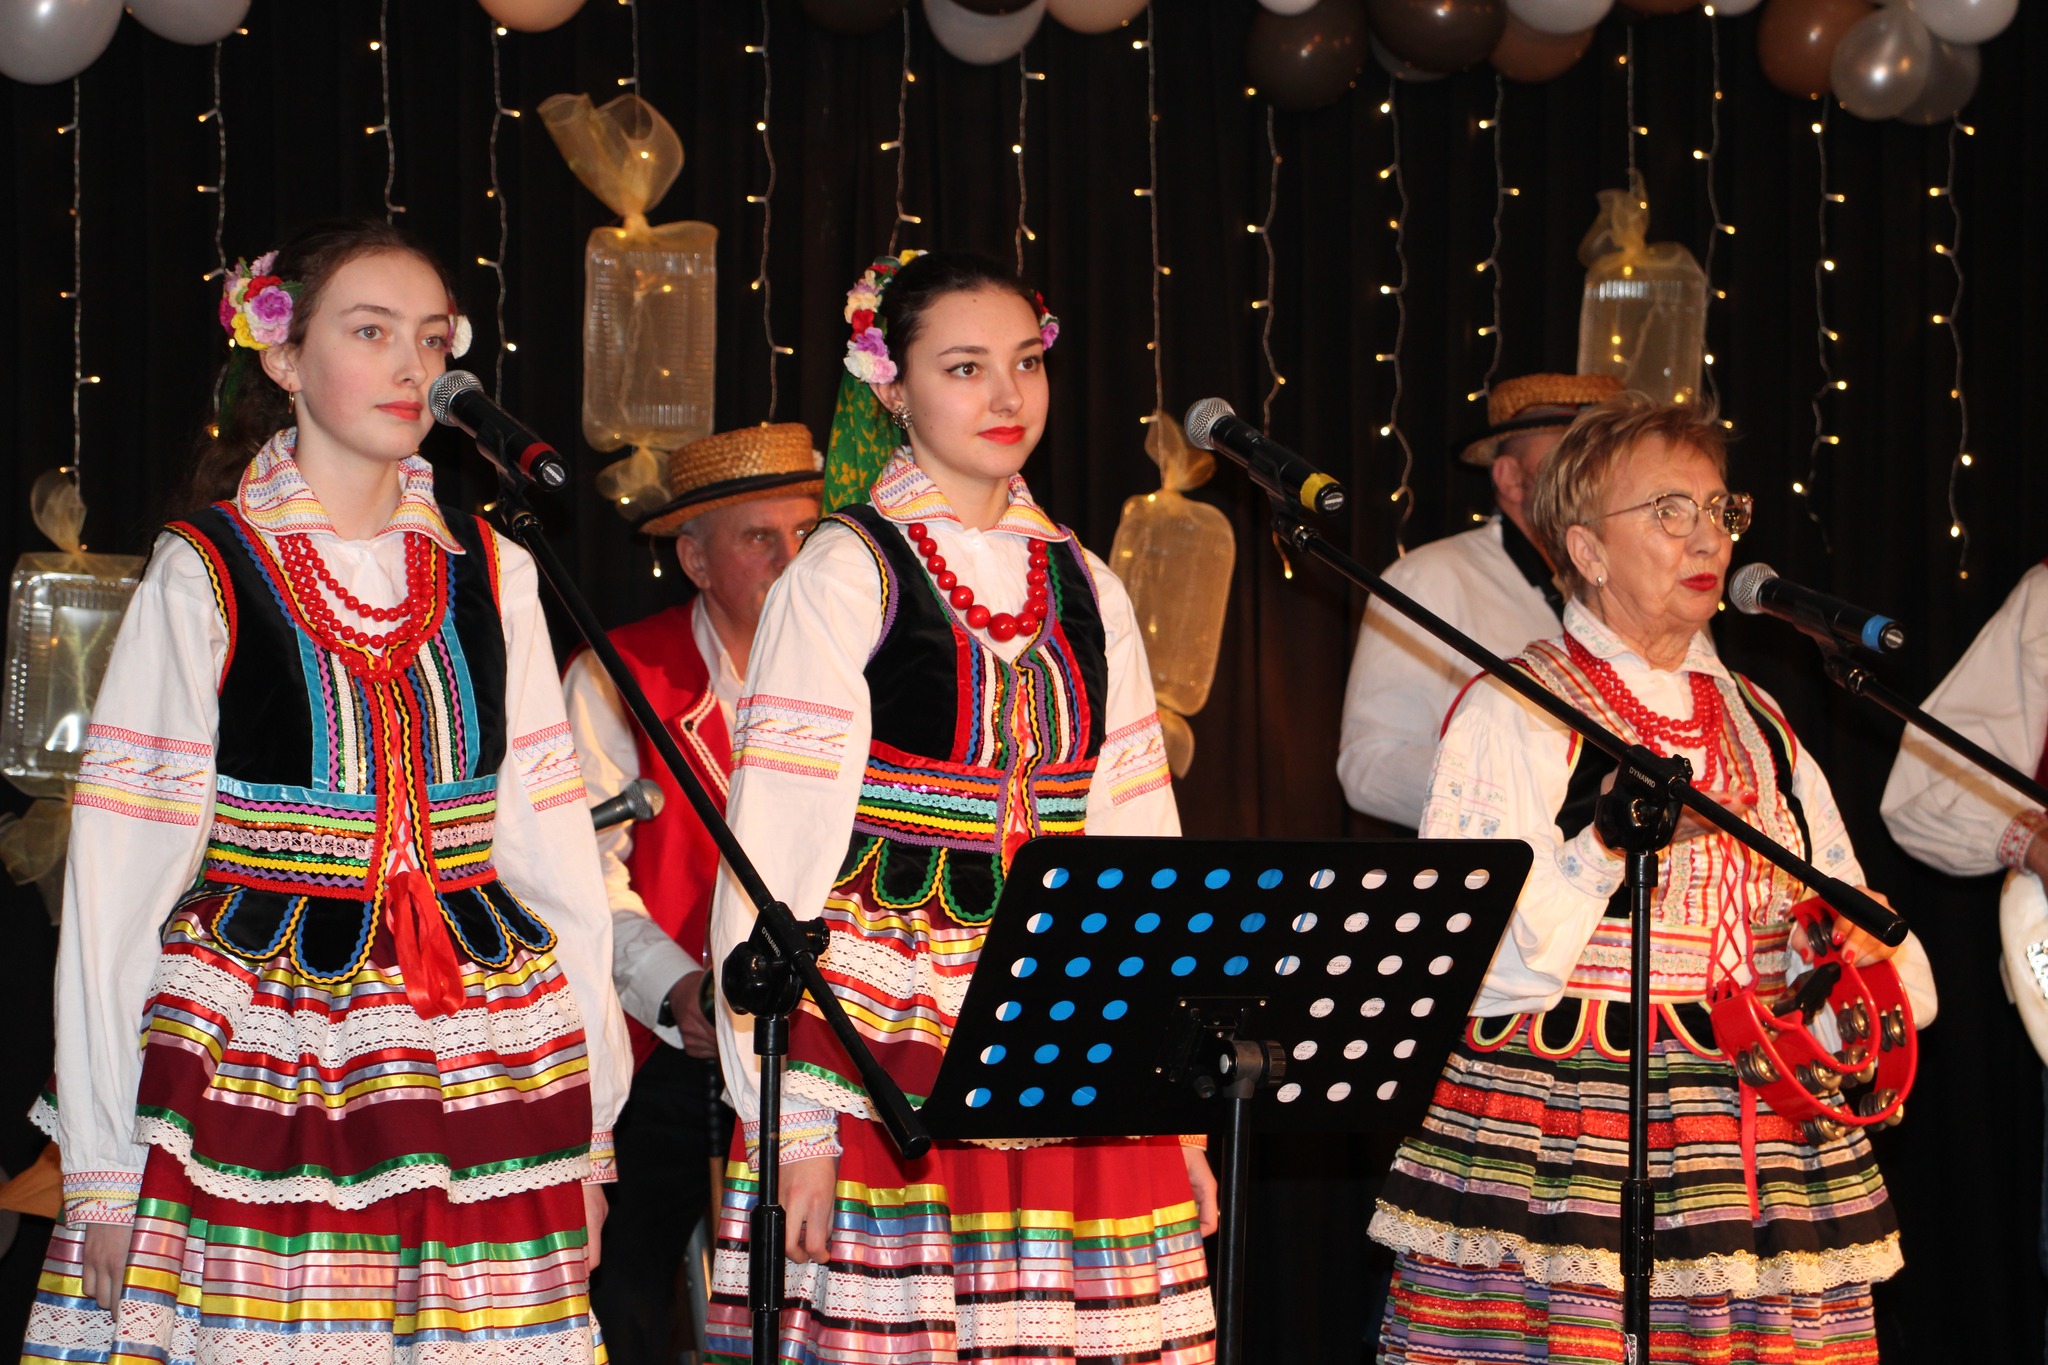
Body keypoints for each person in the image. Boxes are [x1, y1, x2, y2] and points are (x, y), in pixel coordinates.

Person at [22, 219, 630, 1364]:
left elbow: (552, 856)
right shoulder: (207, 567)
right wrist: (103, 1169)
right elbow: (116, 886)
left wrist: (585, 1134)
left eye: (432, 339)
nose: (412, 368)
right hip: (266, 1055)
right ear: (285, 356)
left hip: (479, 1055)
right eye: (370, 332)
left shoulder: (494, 567)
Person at [700, 250, 1218, 1363]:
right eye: (965, 367)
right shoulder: (845, 573)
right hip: (889, 1037)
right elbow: (773, 856)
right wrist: (790, 1123)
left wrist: (1174, 1106)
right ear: (891, 386)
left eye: (1025, 363)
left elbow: (1140, 844)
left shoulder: (1089, 583)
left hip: (1072, 1021)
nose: (1006, 395)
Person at [1368, 394, 1937, 1361]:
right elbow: (1476, 964)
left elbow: (1882, 957)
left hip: (1762, 1144)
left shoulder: (1762, 722)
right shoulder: (1521, 707)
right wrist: (1601, 847)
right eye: (1668, 511)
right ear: (1587, 550)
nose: (1705, 536)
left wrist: (1852, 940)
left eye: (1720, 508)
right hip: (1574, 1139)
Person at [562, 423, 821, 1365]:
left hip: (820, 1051)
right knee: (625, 1296)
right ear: (695, 560)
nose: (791, 561)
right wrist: (678, 988)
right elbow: (581, 874)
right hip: (668, 1051)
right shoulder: (616, 675)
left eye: (807, 534)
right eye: (760, 537)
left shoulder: (868, 679)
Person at [1338, 373, 1622, 829]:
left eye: (1595, 462)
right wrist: (1539, 800)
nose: (1585, 479)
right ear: (1509, 478)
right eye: (1564, 459)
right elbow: (1370, 770)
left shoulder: (1626, 585)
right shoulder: (1429, 578)